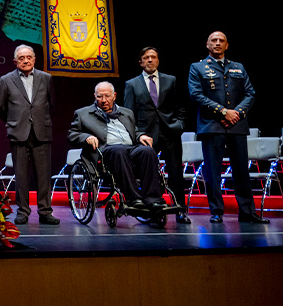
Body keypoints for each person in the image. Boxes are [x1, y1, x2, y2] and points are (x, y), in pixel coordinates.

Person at [188, 31, 268, 224]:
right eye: (213, 40)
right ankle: (216, 211)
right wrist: (224, 112)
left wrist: (236, 113)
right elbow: (196, 95)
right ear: (207, 45)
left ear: (227, 45)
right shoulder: (197, 67)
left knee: (241, 170)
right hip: (211, 125)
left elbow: (250, 94)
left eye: (221, 41)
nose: (217, 43)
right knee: (212, 171)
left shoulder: (238, 67)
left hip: (236, 125)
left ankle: (247, 211)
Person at [67, 81, 166, 211]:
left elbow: (134, 131)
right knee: (119, 150)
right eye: (99, 96)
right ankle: (134, 198)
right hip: (105, 152)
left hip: (130, 149)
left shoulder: (127, 113)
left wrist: (140, 136)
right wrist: (86, 137)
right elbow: (72, 135)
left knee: (147, 151)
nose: (103, 100)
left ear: (114, 96)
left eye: (107, 96)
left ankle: (153, 199)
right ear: (95, 96)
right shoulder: (83, 114)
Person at [124, 46, 191, 224]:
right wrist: (137, 134)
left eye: (153, 57)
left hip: (170, 132)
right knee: (149, 173)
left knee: (175, 173)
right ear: (140, 62)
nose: (150, 60)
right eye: (146, 57)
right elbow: (129, 114)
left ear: (158, 60)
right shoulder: (132, 84)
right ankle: (153, 207)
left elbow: (180, 106)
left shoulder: (170, 80)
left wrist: (179, 125)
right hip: (146, 135)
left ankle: (180, 210)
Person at [0, 45, 59, 225]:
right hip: (19, 133)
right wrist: (15, 121)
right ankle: (22, 211)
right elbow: (0, 106)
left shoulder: (46, 78)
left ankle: (45, 211)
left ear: (34, 59)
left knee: (43, 175)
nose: (25, 61)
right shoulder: (6, 80)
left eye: (28, 57)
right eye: (21, 58)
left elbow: (52, 104)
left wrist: (39, 119)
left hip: (41, 132)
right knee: (21, 176)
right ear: (15, 61)